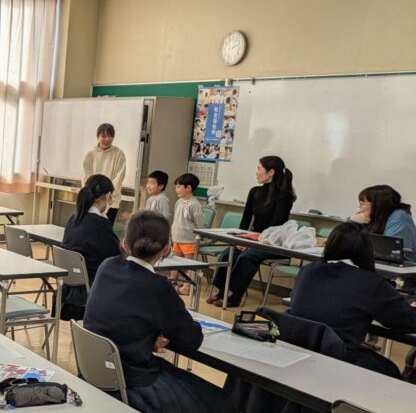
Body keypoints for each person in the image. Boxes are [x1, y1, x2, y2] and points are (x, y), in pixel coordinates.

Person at [84, 211, 238, 413]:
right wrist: (155, 333)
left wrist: (147, 334)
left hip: (95, 370)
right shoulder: (159, 287)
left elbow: (118, 315)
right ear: (167, 248)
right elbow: (191, 340)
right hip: (134, 381)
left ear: (124, 243)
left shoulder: (106, 267)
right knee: (218, 403)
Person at [290, 222, 416, 379]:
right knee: (391, 370)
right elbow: (407, 320)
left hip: (298, 350)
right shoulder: (370, 283)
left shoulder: (308, 271)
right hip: (337, 358)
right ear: (367, 251)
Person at [208, 156, 296, 308]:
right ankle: (222, 291)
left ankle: (235, 296)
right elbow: (246, 220)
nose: (257, 172)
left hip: (273, 242)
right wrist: (240, 240)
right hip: (253, 239)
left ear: (271, 172)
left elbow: (276, 225)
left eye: (259, 169)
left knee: (246, 257)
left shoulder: (284, 196)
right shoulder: (255, 192)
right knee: (227, 254)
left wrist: (252, 242)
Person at [59, 174, 120, 320]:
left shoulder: (73, 218)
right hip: (94, 284)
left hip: (69, 284)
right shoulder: (100, 224)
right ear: (108, 196)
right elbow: (117, 255)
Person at [351, 184, 416, 262]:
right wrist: (352, 223)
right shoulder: (377, 217)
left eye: (362, 204)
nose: (359, 209)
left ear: (377, 204)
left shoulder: (400, 216)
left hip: (403, 266)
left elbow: (388, 250)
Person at [170, 173, 206, 295]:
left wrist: (199, 238)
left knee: (189, 264)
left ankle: (187, 287)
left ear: (188, 188)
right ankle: (172, 282)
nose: (176, 189)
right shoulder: (178, 202)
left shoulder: (194, 205)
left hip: (189, 240)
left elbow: (200, 223)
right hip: (177, 238)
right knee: (174, 262)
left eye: (179, 187)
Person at [82, 123, 126, 224]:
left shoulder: (119, 154)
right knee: (91, 228)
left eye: (110, 136)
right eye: (103, 136)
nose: (107, 139)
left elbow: (119, 177)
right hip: (93, 201)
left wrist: (106, 197)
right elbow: (86, 177)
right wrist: (93, 196)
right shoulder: (90, 155)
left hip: (111, 201)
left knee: (106, 229)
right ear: (98, 137)